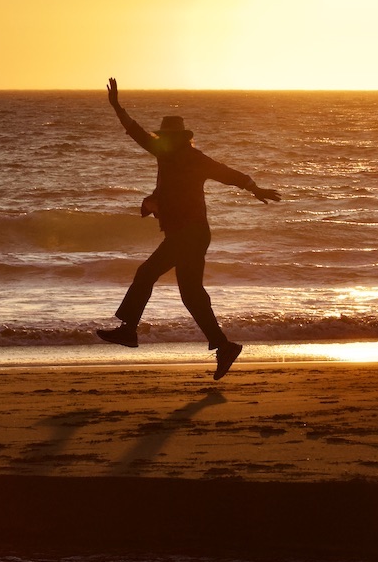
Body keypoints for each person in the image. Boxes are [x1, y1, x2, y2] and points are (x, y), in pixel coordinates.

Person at [97, 77, 280, 380]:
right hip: (191, 234)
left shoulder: (190, 158)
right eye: (164, 136)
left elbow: (226, 173)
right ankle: (224, 346)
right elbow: (137, 133)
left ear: (180, 138)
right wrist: (117, 107)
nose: (163, 140)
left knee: (147, 273)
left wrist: (253, 187)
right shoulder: (166, 154)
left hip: (190, 233)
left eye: (168, 136)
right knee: (191, 295)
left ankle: (129, 330)